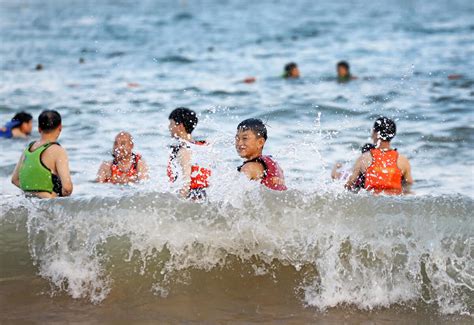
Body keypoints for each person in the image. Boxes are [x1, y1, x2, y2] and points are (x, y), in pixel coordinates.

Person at [11, 110, 73, 198]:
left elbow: (15, 180)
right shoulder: (58, 151)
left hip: (28, 201)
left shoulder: (28, 148)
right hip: (48, 204)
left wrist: (33, 190)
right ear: (60, 127)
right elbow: (67, 188)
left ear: (39, 128)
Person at [345, 117, 413, 195]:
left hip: (372, 201)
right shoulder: (403, 160)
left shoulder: (365, 158)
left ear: (375, 133)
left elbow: (350, 184)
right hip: (395, 202)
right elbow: (408, 184)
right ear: (393, 135)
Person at [167, 107, 211, 199]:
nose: (169, 127)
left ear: (180, 126)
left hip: (192, 198)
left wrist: (178, 204)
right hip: (203, 196)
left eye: (171, 124)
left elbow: (186, 182)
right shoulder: (200, 147)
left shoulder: (184, 150)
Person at [235, 118, 287, 191]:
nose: (239, 143)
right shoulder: (273, 163)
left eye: (245, 138)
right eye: (237, 138)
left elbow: (234, 195)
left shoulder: (249, 168)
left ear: (260, 142)